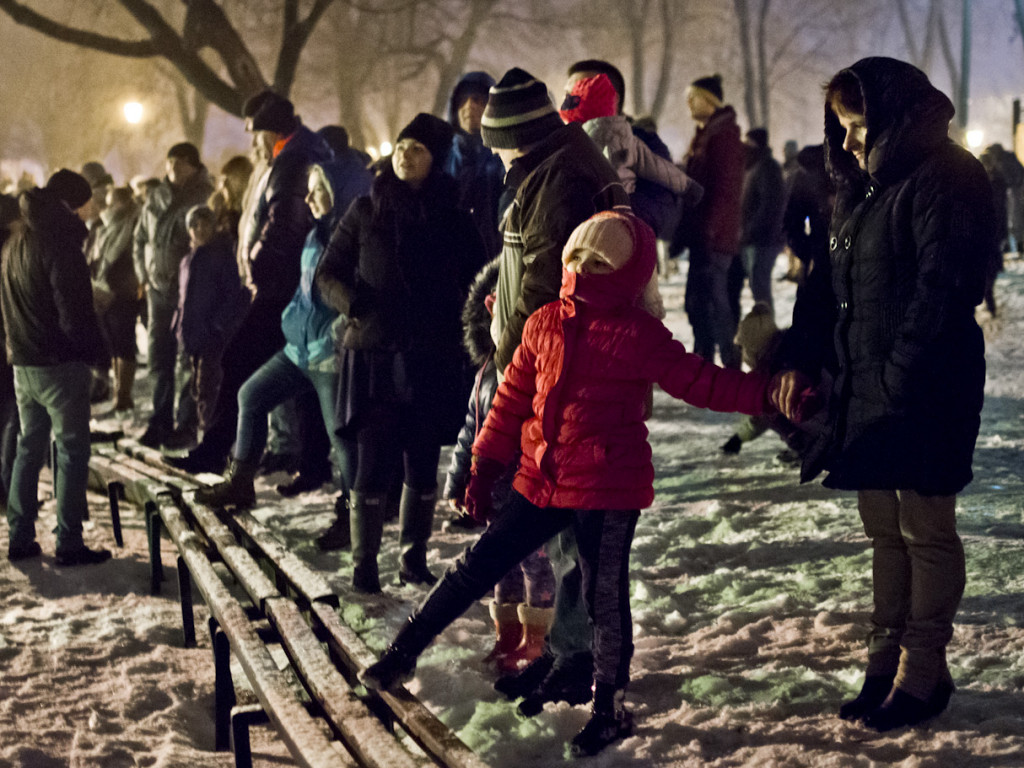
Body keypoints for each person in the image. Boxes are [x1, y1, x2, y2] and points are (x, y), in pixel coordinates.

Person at [359, 209, 774, 757]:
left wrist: (767, 394)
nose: (583, 267)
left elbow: (701, 382)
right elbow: (509, 400)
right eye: (577, 255)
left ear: (627, 271)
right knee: (475, 566)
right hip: (541, 478)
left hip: (607, 486)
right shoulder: (544, 322)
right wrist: (484, 464)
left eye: (600, 260)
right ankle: (403, 650)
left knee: (605, 598)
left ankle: (609, 705)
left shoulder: (638, 333)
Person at [773, 57, 997, 732]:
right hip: (864, 384)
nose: (844, 142)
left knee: (925, 530)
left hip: (928, 384)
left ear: (892, 118)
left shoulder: (950, 177)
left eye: (856, 125)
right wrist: (803, 358)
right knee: (885, 533)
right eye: (840, 127)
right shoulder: (862, 191)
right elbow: (828, 285)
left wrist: (900, 375)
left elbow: (943, 286)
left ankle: (921, 672)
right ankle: (885, 659)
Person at [477, 66, 629, 712]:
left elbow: (544, 283)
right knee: (570, 530)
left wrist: (514, 368)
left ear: (518, 134)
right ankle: (573, 653)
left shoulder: (560, 176)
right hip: (554, 370)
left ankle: (582, 660)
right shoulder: (549, 168)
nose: (499, 154)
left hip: (564, 376)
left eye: (499, 142)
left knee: (578, 533)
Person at [315, 113, 486, 593]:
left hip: (431, 357)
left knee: (421, 459)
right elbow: (327, 273)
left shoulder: (453, 214)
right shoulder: (366, 209)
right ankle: (363, 563)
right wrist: (354, 302)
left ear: (436, 160)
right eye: (402, 147)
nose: (406, 156)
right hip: (374, 356)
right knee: (370, 462)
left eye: (418, 150)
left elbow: (481, 279)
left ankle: (413, 557)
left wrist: (473, 334)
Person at [195, 155, 372, 529]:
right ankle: (240, 481)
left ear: (338, 192)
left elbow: (357, 298)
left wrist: (333, 337)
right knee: (251, 396)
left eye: (317, 193)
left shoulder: (356, 239)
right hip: (298, 348)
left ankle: (354, 514)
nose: (308, 201)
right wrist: (290, 321)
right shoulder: (314, 234)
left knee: (341, 436)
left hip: (328, 354)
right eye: (308, 193)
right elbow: (302, 290)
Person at [167, 91, 332, 475]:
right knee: (299, 379)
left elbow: (284, 227)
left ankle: (221, 454)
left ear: (270, 132)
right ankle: (306, 464)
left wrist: (256, 263)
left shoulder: (291, 163)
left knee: (237, 361)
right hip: (288, 287)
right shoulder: (286, 159)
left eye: (255, 134)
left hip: (283, 289)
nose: (252, 143)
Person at [441, 258, 555, 674]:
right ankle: (507, 638)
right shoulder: (487, 371)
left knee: (536, 567)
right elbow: (470, 429)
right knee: (501, 569)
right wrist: (458, 481)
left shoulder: (532, 367)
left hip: (527, 491)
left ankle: (536, 640)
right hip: (494, 495)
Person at [1, 170, 110, 565]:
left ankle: (20, 534)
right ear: (71, 204)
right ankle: (69, 541)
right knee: (71, 450)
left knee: (29, 447)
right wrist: (94, 354)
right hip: (59, 363)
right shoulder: (61, 242)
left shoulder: (17, 241)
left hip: (24, 362)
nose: (86, 215)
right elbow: (75, 312)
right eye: (83, 207)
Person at [133, 142, 214, 449]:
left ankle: (186, 423)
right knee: (159, 357)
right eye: (169, 163)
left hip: (189, 291)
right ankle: (160, 419)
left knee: (187, 360)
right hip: (157, 289)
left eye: (179, 164)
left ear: (193, 165)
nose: (172, 169)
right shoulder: (156, 195)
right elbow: (140, 237)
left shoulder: (204, 194)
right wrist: (144, 274)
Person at [558, 72, 703, 220]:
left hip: (589, 212)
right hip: (625, 208)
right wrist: (688, 187)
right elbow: (658, 167)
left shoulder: (579, 141)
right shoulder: (628, 137)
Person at [673, 73, 745, 368]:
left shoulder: (723, 137)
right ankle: (704, 360)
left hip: (713, 237)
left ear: (710, 100)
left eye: (694, 97)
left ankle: (728, 363)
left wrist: (711, 230)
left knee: (715, 303)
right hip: (701, 235)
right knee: (697, 302)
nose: (688, 103)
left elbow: (726, 190)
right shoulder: (704, 135)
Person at [171, 205, 249, 439]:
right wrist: (178, 324)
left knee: (209, 387)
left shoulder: (221, 257)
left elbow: (232, 295)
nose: (200, 229)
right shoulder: (187, 260)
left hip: (212, 335)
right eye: (195, 225)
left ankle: (210, 436)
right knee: (192, 386)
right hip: (190, 334)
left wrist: (218, 324)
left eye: (205, 224)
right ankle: (194, 430)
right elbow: (184, 297)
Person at [720, 302, 813, 463]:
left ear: (753, 347)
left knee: (772, 404)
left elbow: (761, 414)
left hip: (822, 417)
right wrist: (739, 438)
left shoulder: (777, 365)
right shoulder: (786, 344)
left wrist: (738, 439)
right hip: (827, 413)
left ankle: (807, 446)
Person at [89, 186, 141, 416]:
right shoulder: (105, 227)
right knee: (113, 345)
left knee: (124, 343)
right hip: (105, 291)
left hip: (123, 292)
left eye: (112, 203)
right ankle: (117, 394)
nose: (107, 208)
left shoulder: (132, 223)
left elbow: (131, 258)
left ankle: (124, 395)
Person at [445, 71, 507, 258]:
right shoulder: (440, 153)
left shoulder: (504, 155)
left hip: (492, 256)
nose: (470, 106)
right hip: (448, 258)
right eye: (463, 101)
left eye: (479, 100)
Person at [739, 127, 786, 314]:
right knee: (757, 283)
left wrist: (750, 229)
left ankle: (767, 329)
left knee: (760, 284)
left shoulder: (767, 167)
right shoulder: (754, 166)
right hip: (756, 237)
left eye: (749, 142)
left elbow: (769, 206)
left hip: (765, 238)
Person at [208, 155, 254, 238]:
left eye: (229, 180)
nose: (225, 184)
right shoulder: (218, 205)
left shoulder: (249, 207)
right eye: (224, 180)